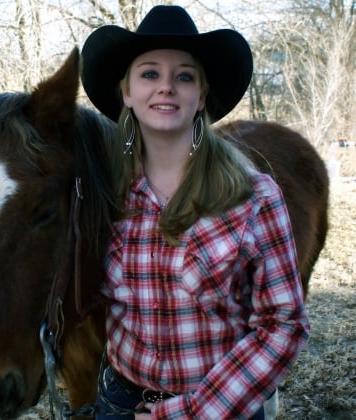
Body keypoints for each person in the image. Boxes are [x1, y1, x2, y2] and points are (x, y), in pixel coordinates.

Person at [81, 5, 310, 420]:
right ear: (127, 93)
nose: (166, 86)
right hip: (121, 404)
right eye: (149, 73)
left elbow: (284, 324)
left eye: (184, 76)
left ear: (201, 95)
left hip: (221, 408)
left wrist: (195, 412)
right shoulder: (105, 198)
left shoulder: (255, 197)